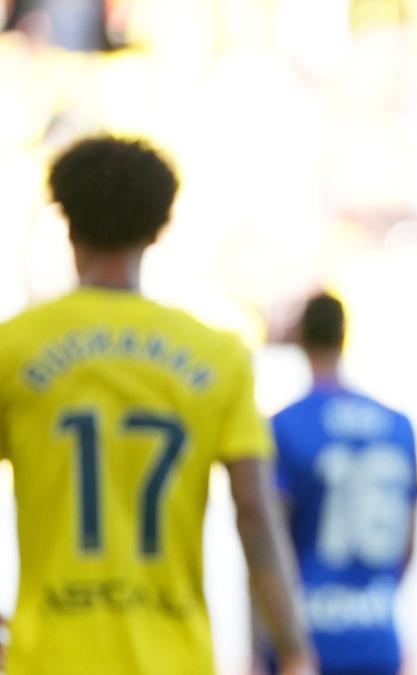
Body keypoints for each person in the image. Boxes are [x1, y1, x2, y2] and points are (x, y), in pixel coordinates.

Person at [0, 136, 315, 675]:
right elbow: (256, 515)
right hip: (174, 657)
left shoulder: (14, 347)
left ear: (69, 226)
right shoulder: (217, 355)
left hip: (48, 657)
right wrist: (292, 649)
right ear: (157, 231)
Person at [267, 292, 417, 675]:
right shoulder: (398, 426)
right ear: (343, 336)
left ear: (302, 336)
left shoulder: (286, 426)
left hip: (305, 643)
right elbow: (408, 543)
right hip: (377, 636)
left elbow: (267, 544)